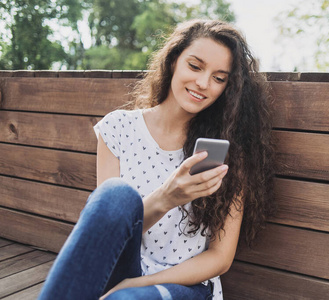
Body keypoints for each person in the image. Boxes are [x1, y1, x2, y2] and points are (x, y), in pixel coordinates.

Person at [38, 19, 274, 300]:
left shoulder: (229, 152)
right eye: (195, 66)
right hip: (124, 269)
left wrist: (135, 286)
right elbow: (115, 229)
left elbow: (220, 258)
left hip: (187, 286)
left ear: (227, 88)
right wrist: (167, 197)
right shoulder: (118, 129)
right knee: (116, 195)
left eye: (219, 78)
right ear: (174, 61)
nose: (203, 83)